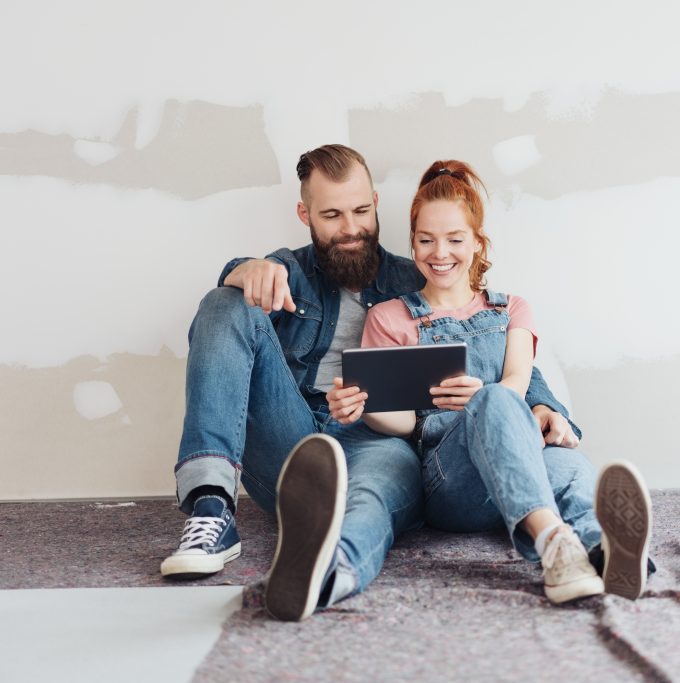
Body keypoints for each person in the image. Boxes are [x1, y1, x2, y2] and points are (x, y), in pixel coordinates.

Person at [160, 144, 580, 621]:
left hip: (380, 438)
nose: (351, 228)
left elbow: (496, 338)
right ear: (305, 214)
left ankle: (327, 573)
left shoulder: (418, 275)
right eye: (332, 215)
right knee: (224, 301)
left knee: (370, 499)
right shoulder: (288, 272)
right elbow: (238, 290)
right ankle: (211, 509)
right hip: (294, 440)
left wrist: (546, 406)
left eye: (361, 210)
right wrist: (242, 269)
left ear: (377, 202)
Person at [335, 160, 654, 603]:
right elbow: (406, 423)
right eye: (425, 240)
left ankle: (605, 551)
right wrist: (365, 404)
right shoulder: (389, 318)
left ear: (478, 243)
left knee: (568, 464)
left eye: (454, 239)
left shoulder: (511, 310)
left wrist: (504, 405)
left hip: (518, 463)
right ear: (412, 243)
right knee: (492, 401)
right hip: (451, 481)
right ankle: (554, 546)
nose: (439, 253)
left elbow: (519, 381)